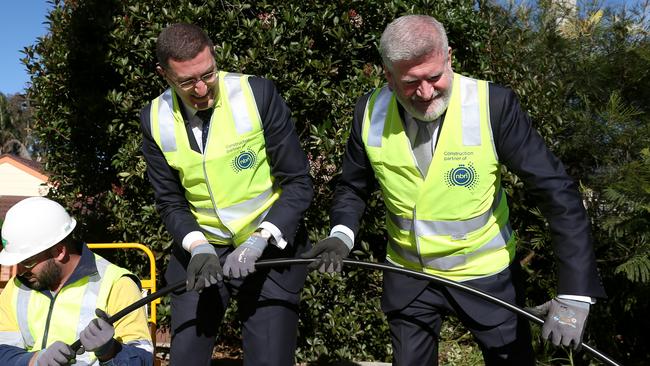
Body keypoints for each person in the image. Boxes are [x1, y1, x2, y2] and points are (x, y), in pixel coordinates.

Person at [301, 14, 606, 365]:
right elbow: (353, 186)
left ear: (450, 57)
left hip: (487, 278)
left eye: (434, 76)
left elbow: (558, 193)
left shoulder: (492, 106)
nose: (426, 93)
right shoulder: (369, 113)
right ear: (388, 76)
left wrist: (575, 293)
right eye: (411, 82)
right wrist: (342, 234)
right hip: (409, 277)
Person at [140, 23, 312, 366]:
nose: (202, 89)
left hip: (268, 251)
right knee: (186, 358)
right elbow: (169, 200)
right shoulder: (154, 118)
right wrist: (197, 246)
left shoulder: (257, 95)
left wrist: (259, 240)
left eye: (208, 73)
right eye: (187, 82)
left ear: (214, 54)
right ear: (164, 74)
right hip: (202, 253)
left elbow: (298, 183)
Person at [0, 197, 153, 366]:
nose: (21, 271)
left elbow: (143, 358)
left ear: (59, 251)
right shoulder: (16, 287)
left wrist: (110, 351)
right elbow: (2, 350)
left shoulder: (117, 284)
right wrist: (34, 360)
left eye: (28, 262)